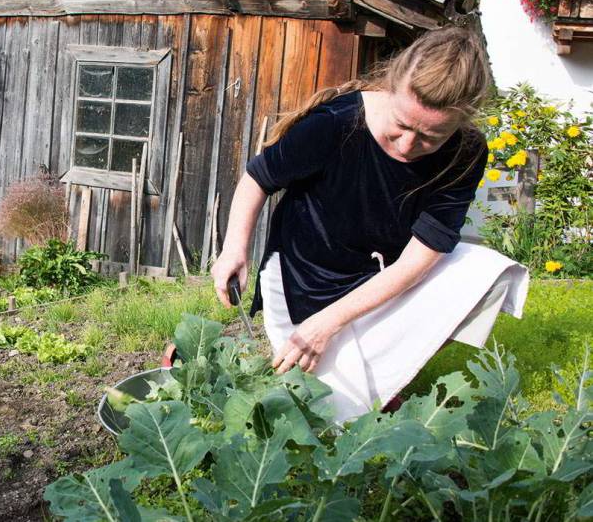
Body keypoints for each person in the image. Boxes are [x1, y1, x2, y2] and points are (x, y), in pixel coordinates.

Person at [211, 25, 529, 421]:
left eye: (431, 137)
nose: (409, 145)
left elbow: (421, 256)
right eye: (402, 125)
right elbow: (258, 179)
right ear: (391, 88)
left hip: (380, 281)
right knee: (327, 415)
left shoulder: (466, 153)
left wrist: (330, 324)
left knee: (493, 275)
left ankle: (386, 364)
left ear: (460, 123)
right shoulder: (337, 124)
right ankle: (373, 365)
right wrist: (234, 249)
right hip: (304, 282)